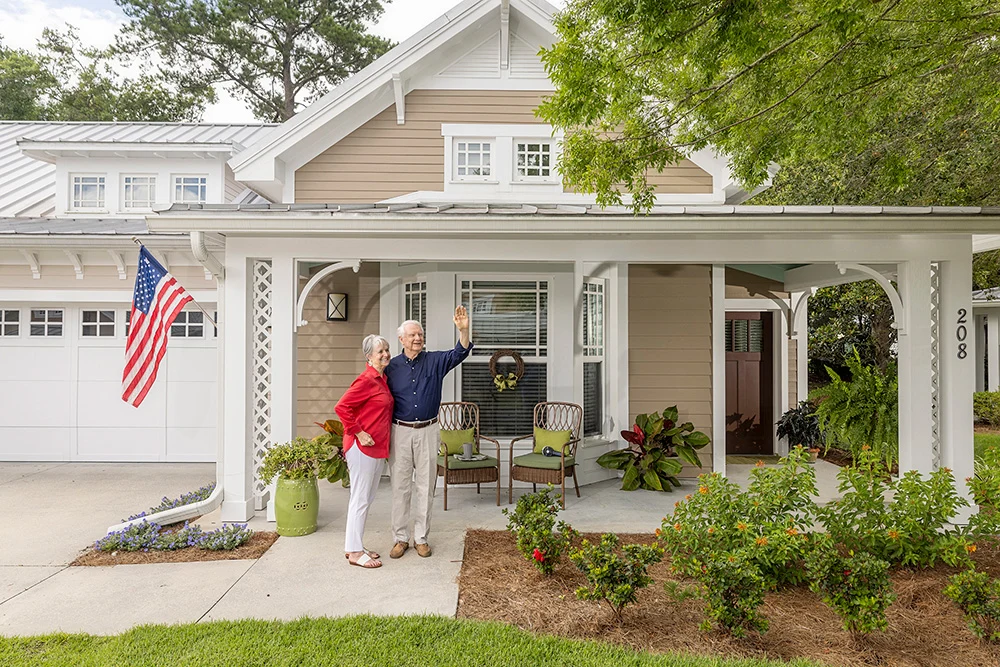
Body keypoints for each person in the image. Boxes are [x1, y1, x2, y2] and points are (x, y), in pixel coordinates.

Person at [385, 306, 472, 559]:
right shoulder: (391, 367)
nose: (417, 338)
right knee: (401, 488)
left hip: (428, 430)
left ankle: (421, 538)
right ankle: (400, 538)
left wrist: (463, 330)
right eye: (412, 335)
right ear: (401, 339)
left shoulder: (435, 360)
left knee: (425, 487)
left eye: (420, 334)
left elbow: (460, 352)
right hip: (399, 432)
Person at [335, 334, 393, 569]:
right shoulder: (367, 379)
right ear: (368, 356)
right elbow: (341, 407)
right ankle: (355, 551)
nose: (386, 354)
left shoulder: (382, 379)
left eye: (387, 349)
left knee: (365, 498)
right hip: (362, 447)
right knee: (360, 498)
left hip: (376, 447)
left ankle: (355, 545)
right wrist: (358, 432)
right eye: (380, 351)